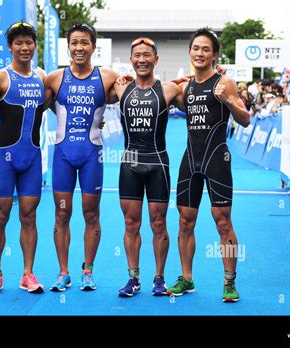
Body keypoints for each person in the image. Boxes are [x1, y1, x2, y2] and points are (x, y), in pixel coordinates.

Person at [168, 28, 250, 302]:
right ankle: (187, 278)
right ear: (190, 52)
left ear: (214, 54)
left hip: (217, 159)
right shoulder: (185, 87)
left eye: (206, 49)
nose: (200, 53)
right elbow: (159, 92)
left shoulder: (225, 82)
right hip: (190, 159)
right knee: (184, 221)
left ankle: (229, 282)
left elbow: (246, 119)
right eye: (196, 48)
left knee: (223, 223)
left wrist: (228, 100)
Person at [45, 24, 124, 292]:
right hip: (63, 156)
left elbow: (140, 88)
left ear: (93, 46)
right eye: (74, 42)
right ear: (68, 46)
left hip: (92, 156)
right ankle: (63, 272)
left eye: (85, 43)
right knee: (61, 213)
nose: (79, 47)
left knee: (91, 214)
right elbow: (32, 102)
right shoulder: (55, 78)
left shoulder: (108, 77)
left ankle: (87, 271)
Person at [0, 21, 46, 295]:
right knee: (0, 214)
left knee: (29, 216)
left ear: (35, 45)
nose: (24, 47)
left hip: (32, 158)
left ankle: (27, 274)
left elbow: (60, 104)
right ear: (10, 47)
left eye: (29, 42)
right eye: (18, 43)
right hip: (4, 158)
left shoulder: (42, 76)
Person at [109, 37, 181, 297]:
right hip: (130, 164)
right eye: (137, 55)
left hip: (157, 163)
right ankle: (133, 278)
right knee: (130, 223)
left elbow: (199, 96)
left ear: (156, 59)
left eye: (147, 55)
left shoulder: (170, 89)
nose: (142, 59)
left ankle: (159, 278)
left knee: (159, 223)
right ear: (131, 60)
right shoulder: (120, 88)